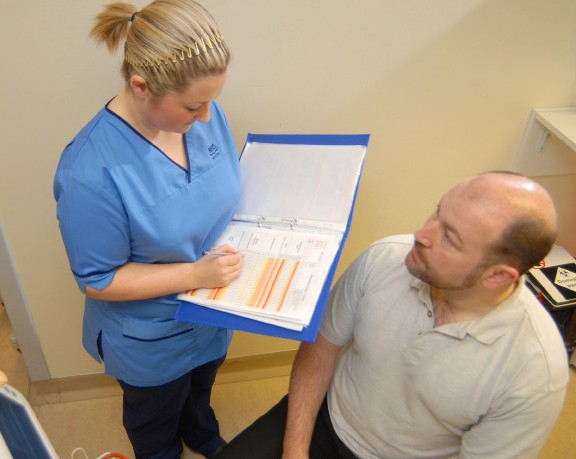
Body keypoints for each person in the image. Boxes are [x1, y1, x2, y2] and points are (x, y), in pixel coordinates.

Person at [214, 171, 570, 459]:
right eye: (437, 212)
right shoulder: (385, 258)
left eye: (449, 238)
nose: (420, 234)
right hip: (323, 416)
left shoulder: (535, 372)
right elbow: (321, 349)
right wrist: (295, 450)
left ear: (497, 276)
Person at [53, 1, 242, 458]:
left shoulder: (205, 115)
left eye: (212, 101)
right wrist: (195, 276)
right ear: (141, 87)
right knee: (156, 421)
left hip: (212, 314)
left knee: (200, 393)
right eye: (193, 105)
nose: (206, 118)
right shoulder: (90, 172)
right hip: (150, 340)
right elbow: (99, 280)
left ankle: (202, 434)